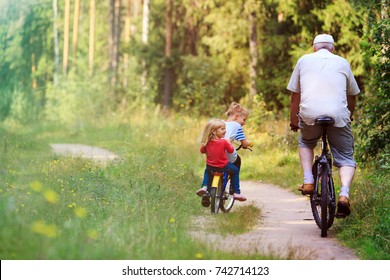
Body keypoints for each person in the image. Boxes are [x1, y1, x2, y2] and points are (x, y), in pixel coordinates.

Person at [287, 33, 360, 218]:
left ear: (314, 48)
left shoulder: (304, 60)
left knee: (306, 142)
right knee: (345, 158)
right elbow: (353, 95)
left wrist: (293, 120)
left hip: (310, 114)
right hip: (338, 116)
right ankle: (344, 195)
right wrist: (348, 116)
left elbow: (295, 95)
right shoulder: (343, 62)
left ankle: (309, 181)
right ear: (333, 49)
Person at [196, 119, 247, 207]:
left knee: (207, 173)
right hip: (223, 166)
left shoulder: (207, 142)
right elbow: (230, 151)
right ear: (214, 131)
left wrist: (204, 145)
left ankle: (205, 188)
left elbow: (202, 151)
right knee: (235, 171)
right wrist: (229, 143)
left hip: (211, 167)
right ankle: (236, 192)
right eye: (222, 129)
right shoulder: (223, 141)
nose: (225, 131)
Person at [224, 102, 252, 170]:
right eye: (244, 120)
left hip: (215, 153)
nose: (244, 123)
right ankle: (234, 179)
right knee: (237, 160)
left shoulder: (221, 124)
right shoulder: (237, 126)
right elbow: (244, 144)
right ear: (236, 116)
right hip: (228, 154)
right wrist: (249, 143)